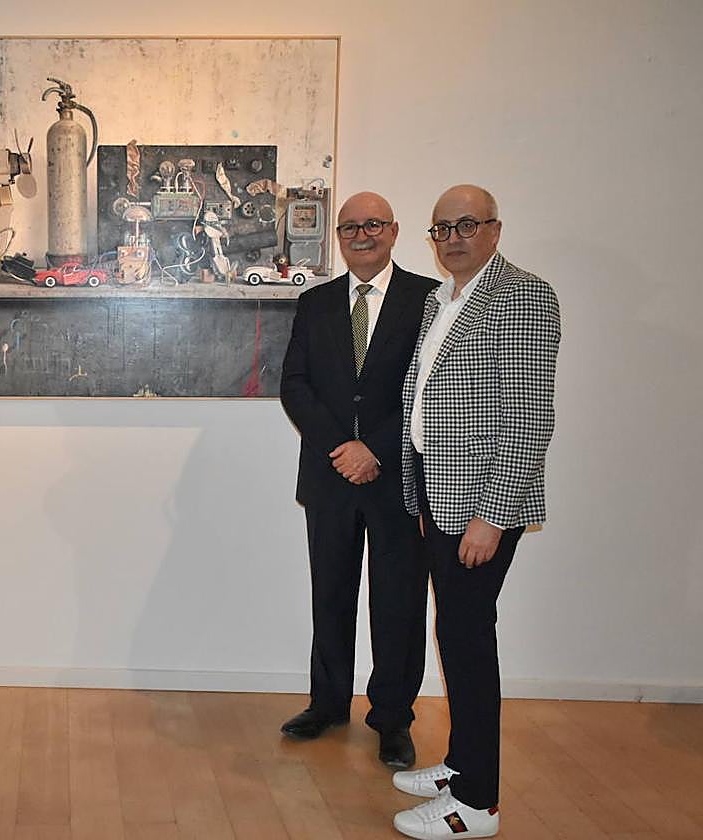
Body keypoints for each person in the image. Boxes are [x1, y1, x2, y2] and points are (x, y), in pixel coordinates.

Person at [391, 185, 560, 839]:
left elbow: (529, 419)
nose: (454, 236)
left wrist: (492, 516)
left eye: (467, 224)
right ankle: (461, 766)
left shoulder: (522, 295)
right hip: (440, 494)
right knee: (454, 633)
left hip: (482, 504)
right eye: (442, 228)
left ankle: (478, 805)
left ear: (494, 229)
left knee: (466, 641)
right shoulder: (444, 300)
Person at [279, 192, 438, 768]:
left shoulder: (429, 299)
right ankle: (326, 705)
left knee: (398, 603)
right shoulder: (315, 302)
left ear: (395, 231)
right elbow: (295, 384)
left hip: (400, 477)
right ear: (338, 237)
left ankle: (393, 719)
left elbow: (429, 388)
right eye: (350, 227)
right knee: (331, 596)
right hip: (330, 476)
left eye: (373, 225)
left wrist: (375, 448)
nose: (361, 235)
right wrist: (342, 448)